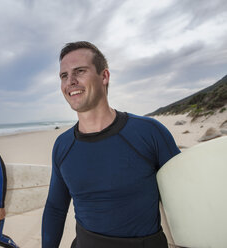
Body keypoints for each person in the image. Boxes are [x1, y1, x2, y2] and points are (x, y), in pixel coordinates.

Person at [41, 41, 180, 248]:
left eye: (79, 71)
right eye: (64, 76)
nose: (70, 81)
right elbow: (55, 207)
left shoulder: (149, 132)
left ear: (104, 76)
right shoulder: (63, 146)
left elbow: (185, 199)